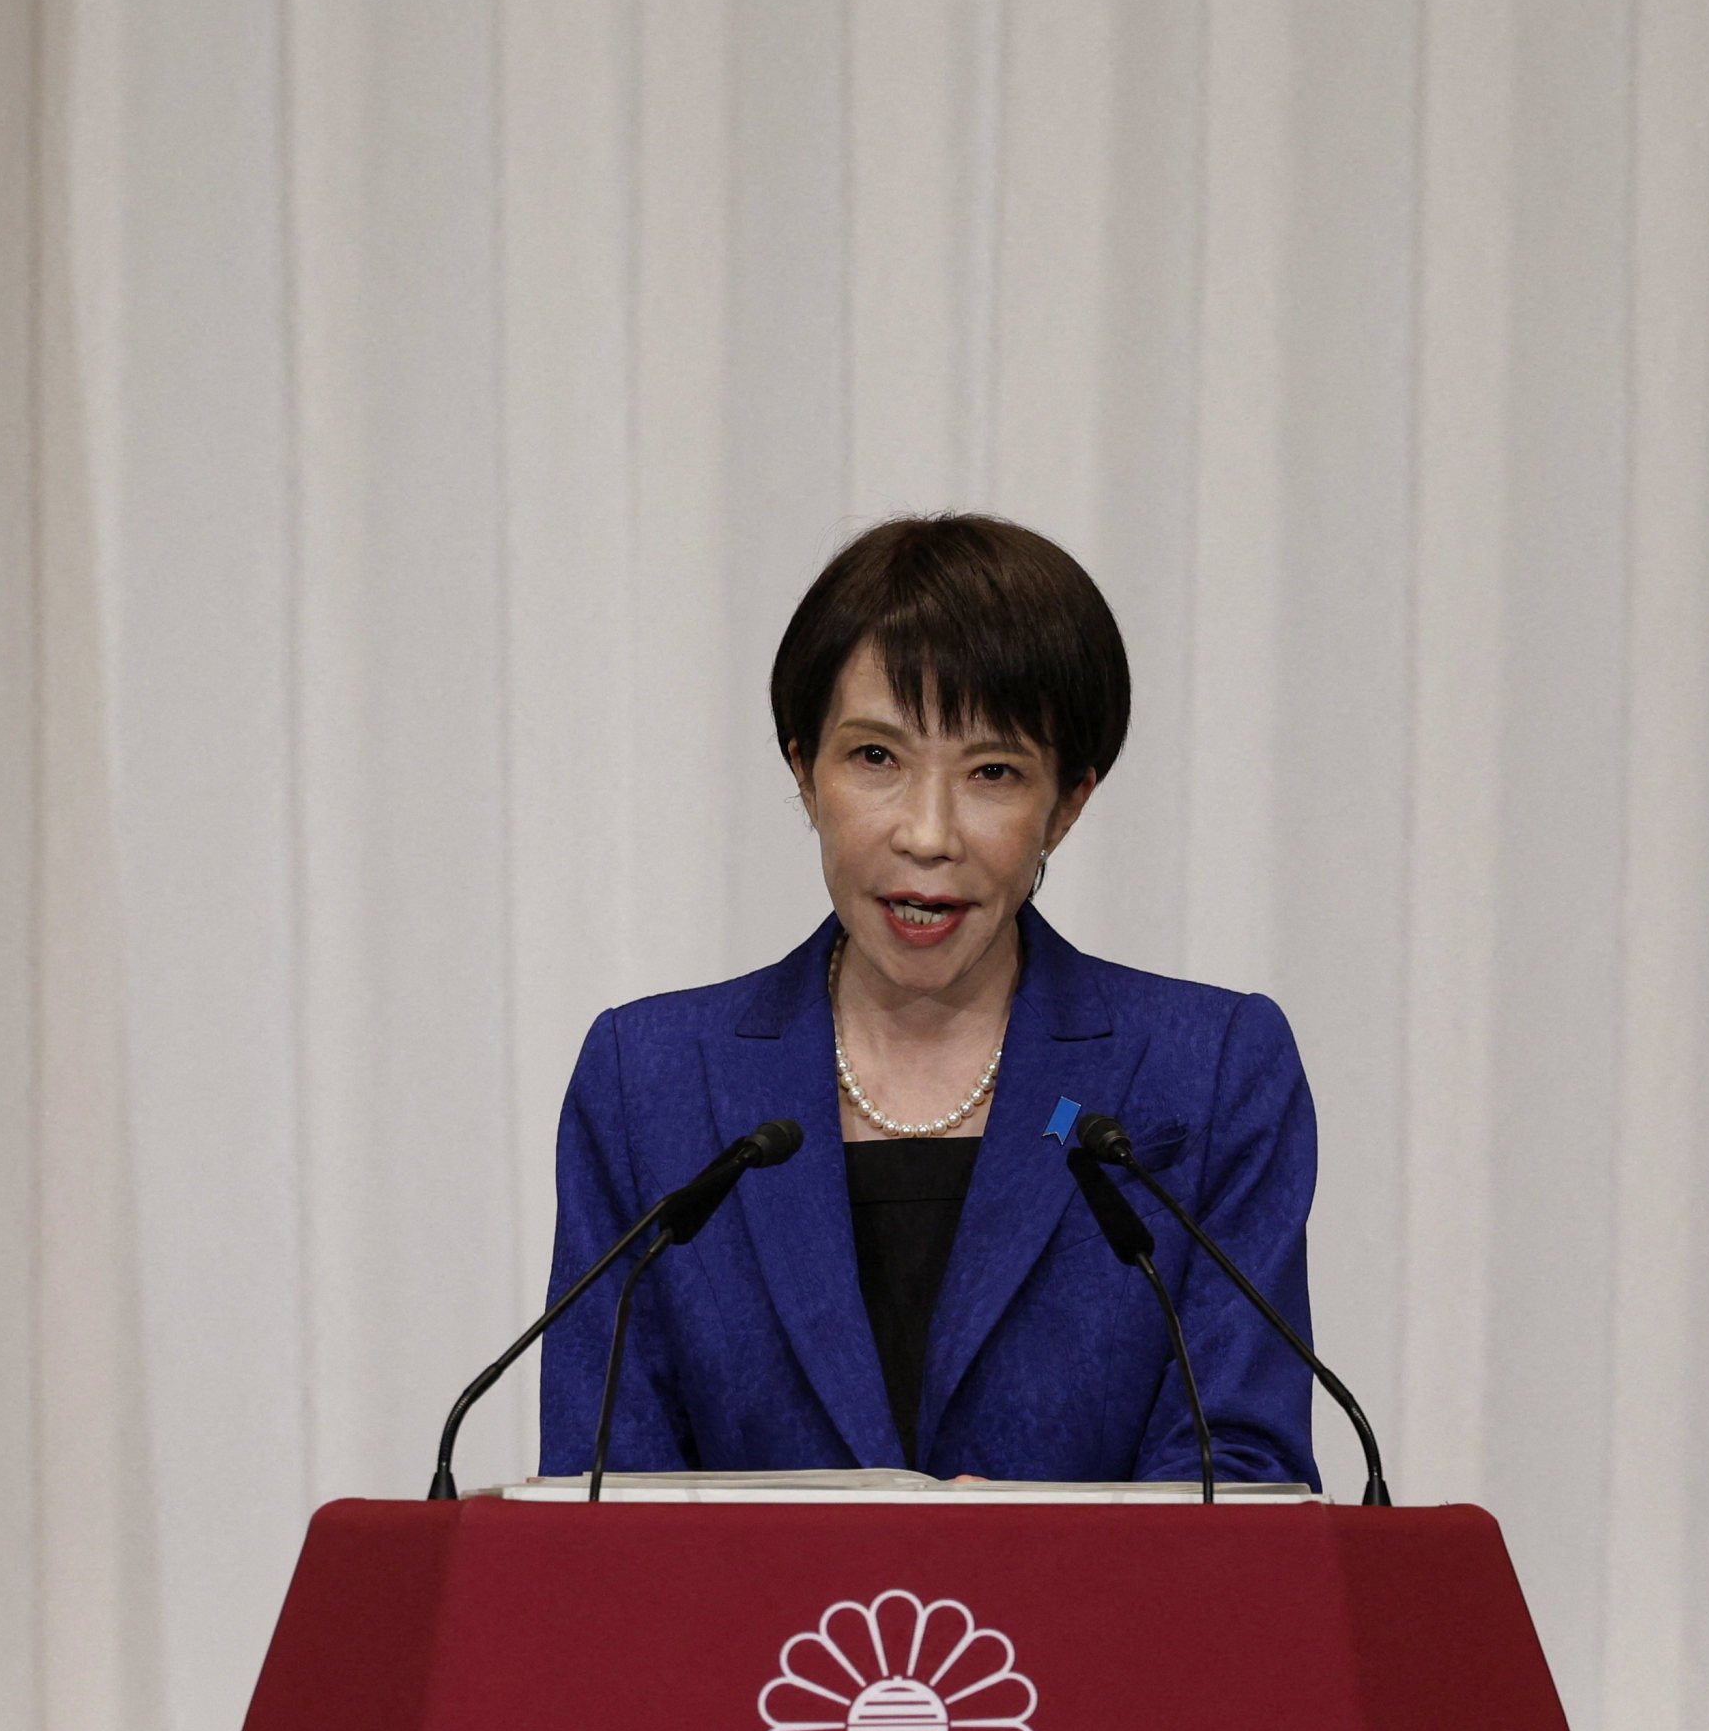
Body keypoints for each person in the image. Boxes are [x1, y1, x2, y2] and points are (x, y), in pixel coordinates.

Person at [537, 516, 1323, 1485]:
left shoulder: (1209, 1070)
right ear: (803, 770)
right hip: (742, 1641)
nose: (928, 833)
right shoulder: (647, 1079)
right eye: (876, 759)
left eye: (993, 773)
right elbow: (600, 1494)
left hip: (1096, 1638)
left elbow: (1242, 1473)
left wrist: (1016, 1564)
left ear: (1067, 805)